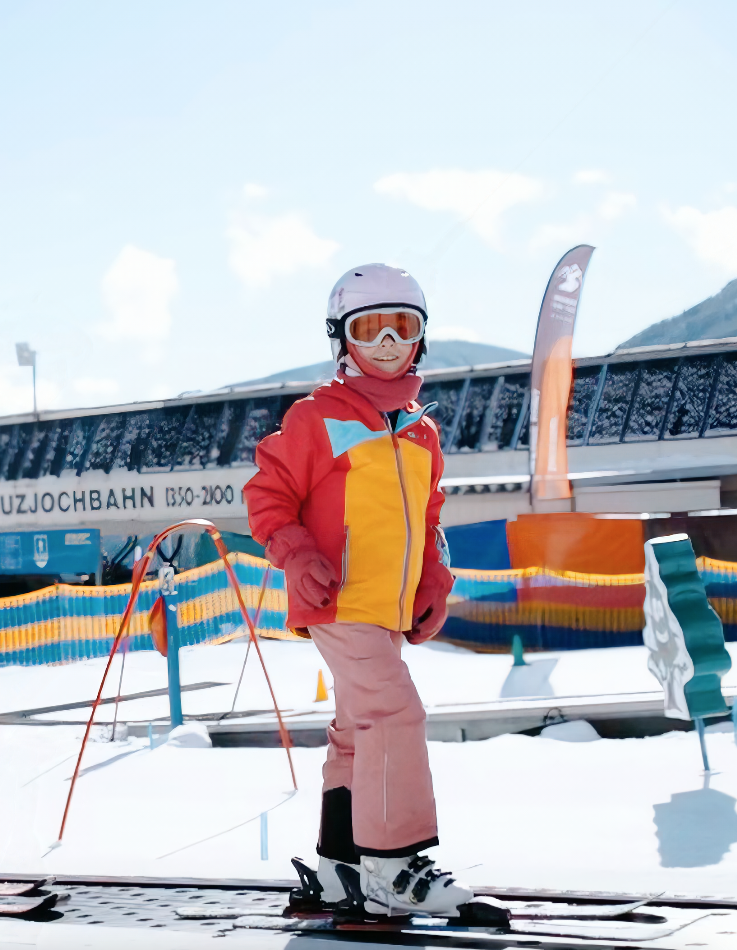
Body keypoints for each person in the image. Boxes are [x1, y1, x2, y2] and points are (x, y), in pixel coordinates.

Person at [243, 264, 470, 916]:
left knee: (357, 729)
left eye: (406, 326)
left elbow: (427, 520)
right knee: (395, 715)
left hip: (384, 610)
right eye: (371, 328)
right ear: (343, 339)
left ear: (422, 338)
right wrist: (298, 553)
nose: (390, 341)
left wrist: (434, 581)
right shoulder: (318, 417)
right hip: (339, 597)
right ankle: (394, 868)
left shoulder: (420, 430)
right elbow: (267, 496)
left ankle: (341, 864)